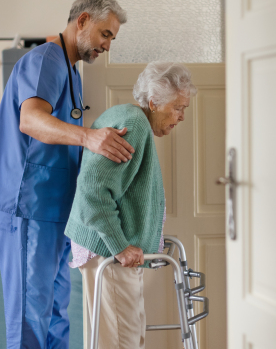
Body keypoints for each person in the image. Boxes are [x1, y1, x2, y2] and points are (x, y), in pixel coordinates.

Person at [0, 0, 135, 349]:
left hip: (55, 208)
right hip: (30, 204)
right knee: (30, 314)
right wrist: (90, 137)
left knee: (56, 313)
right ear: (82, 21)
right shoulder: (46, 59)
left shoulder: (71, 73)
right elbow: (30, 121)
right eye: (105, 34)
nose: (107, 46)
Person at [64, 62, 197, 349]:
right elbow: (92, 191)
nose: (182, 116)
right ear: (154, 102)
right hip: (108, 248)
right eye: (178, 107)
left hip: (105, 245)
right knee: (123, 341)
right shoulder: (134, 124)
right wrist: (120, 247)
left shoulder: (128, 117)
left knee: (117, 336)